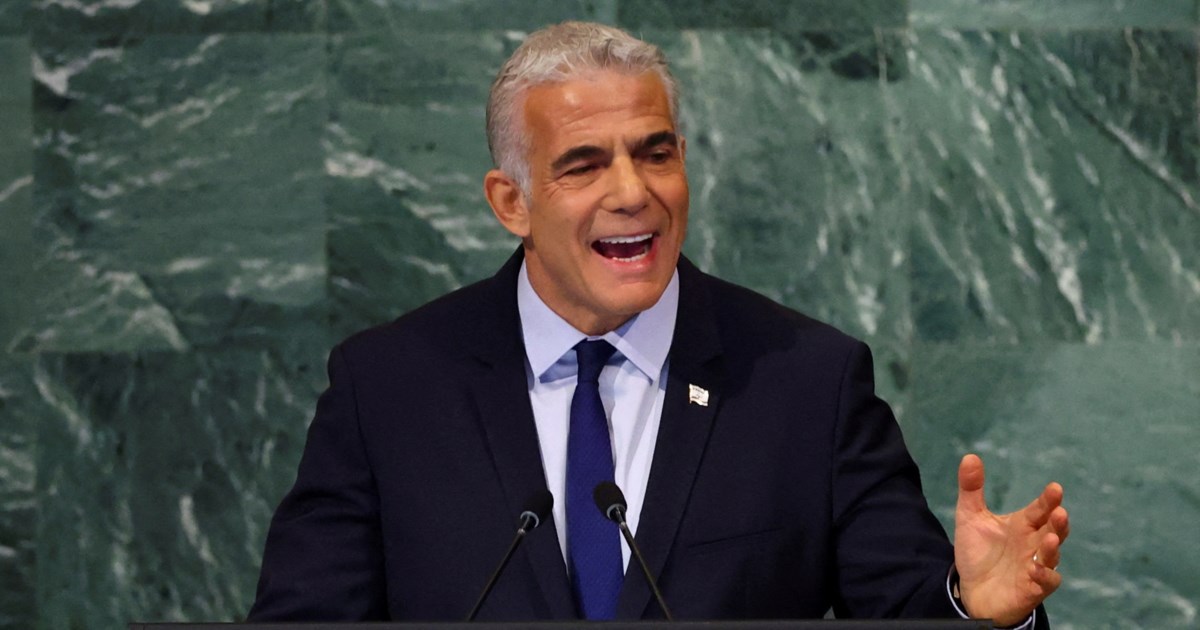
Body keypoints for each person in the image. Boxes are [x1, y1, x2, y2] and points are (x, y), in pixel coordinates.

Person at [248, 21, 1068, 627]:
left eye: (656, 153)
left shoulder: (806, 383)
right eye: (584, 165)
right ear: (511, 202)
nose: (633, 192)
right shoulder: (388, 389)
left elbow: (904, 611)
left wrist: (975, 609)